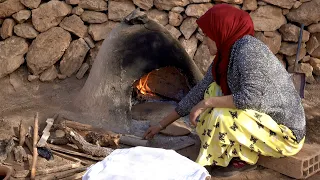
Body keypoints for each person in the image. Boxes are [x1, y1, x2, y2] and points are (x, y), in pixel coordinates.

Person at [143, 4, 306, 177]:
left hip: (285, 135)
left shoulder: (248, 50)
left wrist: (207, 103)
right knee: (212, 90)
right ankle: (234, 147)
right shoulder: (226, 54)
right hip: (263, 121)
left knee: (218, 114)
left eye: (207, 35)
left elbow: (250, 98)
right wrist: (161, 124)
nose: (205, 41)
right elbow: (200, 90)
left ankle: (244, 158)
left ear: (221, 31)